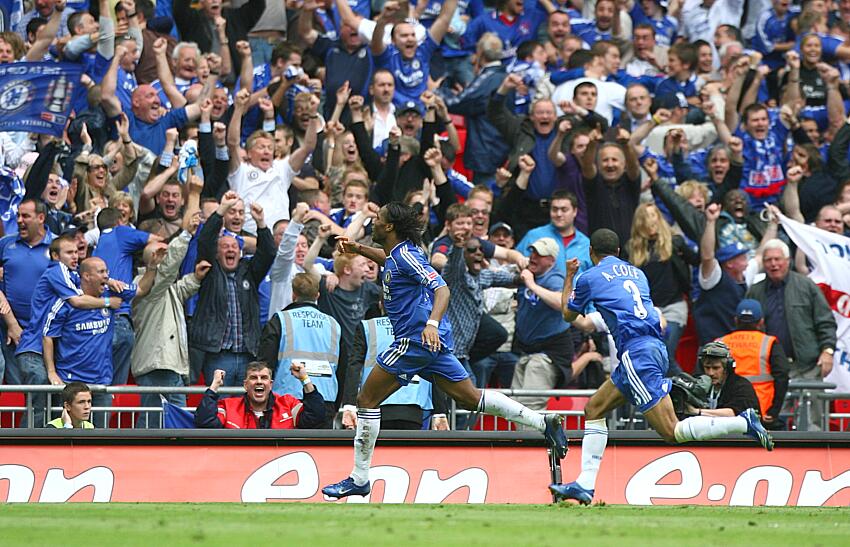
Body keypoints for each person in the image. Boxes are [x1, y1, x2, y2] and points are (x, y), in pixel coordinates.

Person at [321, 202, 567, 499]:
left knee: (366, 399)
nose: (373, 222)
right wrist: (358, 249)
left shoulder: (407, 256)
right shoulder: (400, 254)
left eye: (377, 219)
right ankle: (543, 422)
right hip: (430, 345)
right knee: (471, 398)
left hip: (413, 340)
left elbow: (442, 288)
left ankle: (359, 478)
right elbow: (389, 258)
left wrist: (432, 323)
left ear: (389, 227)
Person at [551, 228, 773, 505]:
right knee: (594, 409)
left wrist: (570, 275)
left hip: (636, 353)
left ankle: (742, 422)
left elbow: (568, 314)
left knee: (671, 431)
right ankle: (585, 485)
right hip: (655, 346)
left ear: (591, 252)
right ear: (618, 252)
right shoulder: (637, 273)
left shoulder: (589, 276)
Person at [745, 239, 837, 427]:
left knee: (813, 423)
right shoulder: (755, 292)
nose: (773, 264)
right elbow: (748, 331)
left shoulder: (807, 286)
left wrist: (828, 351)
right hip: (771, 370)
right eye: (768, 260)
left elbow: (826, 321)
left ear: (788, 261)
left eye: (777, 259)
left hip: (808, 366)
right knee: (773, 421)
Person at [42, 257, 138, 428]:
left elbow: (142, 289)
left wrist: (152, 267)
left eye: (107, 271)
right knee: (63, 436)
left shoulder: (111, 293)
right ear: (86, 276)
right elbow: (48, 335)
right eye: (101, 272)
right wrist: (51, 371)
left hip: (101, 383)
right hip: (71, 382)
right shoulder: (66, 303)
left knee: (99, 437)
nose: (106, 275)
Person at [258, 273, 342, 428]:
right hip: (326, 399)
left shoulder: (280, 320)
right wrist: (336, 405)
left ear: (293, 295)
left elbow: (265, 363)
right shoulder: (333, 324)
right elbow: (343, 369)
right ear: (317, 295)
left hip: (286, 399)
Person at [720, 299, 790, 429]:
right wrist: (774, 410)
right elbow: (782, 375)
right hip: (760, 411)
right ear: (761, 321)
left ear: (736, 320)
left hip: (726, 412)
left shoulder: (721, 342)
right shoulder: (769, 343)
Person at [194, 361, 326, 429]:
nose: (259, 381)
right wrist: (214, 386)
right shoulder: (229, 406)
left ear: (271, 384)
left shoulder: (287, 404)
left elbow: (316, 417)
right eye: (253, 378)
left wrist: (304, 379)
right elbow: (205, 422)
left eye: (264, 378)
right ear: (245, 385)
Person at [695, 341, 762, 417]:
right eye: (707, 368)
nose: (711, 373)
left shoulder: (742, 386)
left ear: (727, 368)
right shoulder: (697, 383)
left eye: (716, 368)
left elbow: (735, 413)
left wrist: (697, 411)